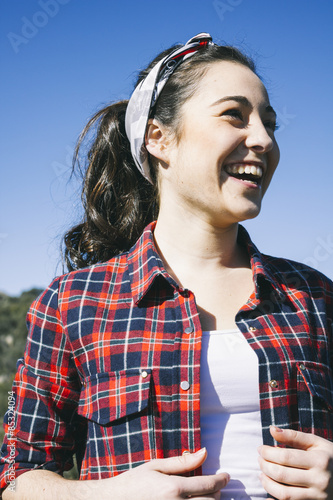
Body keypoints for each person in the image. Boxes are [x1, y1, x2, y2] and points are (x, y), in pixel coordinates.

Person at [0, 32, 332, 500]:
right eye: (234, 115)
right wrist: (108, 495)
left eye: (270, 124)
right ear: (159, 138)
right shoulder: (71, 304)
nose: (262, 139)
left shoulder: (316, 296)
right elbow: (16, 477)